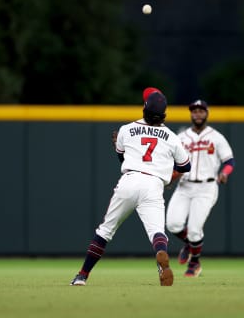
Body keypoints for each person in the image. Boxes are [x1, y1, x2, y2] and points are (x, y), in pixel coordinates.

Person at [70, 87, 191, 286]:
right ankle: (161, 256)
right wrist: (168, 174)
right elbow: (185, 165)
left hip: (129, 180)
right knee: (157, 233)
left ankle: (82, 276)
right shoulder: (171, 137)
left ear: (144, 109)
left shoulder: (126, 129)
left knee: (106, 230)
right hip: (154, 184)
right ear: (164, 115)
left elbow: (122, 156)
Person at [166, 99, 234, 277]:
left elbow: (229, 161)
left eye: (201, 111)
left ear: (207, 113)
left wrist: (225, 173)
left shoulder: (216, 137)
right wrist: (170, 176)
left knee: (195, 230)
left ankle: (194, 263)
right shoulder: (181, 138)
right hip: (184, 186)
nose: (197, 114)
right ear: (191, 114)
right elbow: (171, 162)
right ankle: (190, 245)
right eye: (194, 111)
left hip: (207, 187)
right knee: (173, 224)